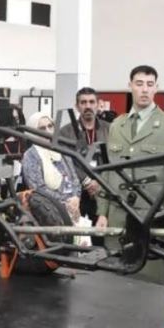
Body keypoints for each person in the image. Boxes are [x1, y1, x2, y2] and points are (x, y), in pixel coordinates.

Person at [96, 65, 164, 284]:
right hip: (118, 218)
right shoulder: (117, 125)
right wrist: (102, 212)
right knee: (113, 284)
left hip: (152, 221)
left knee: (149, 285)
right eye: (139, 84)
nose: (144, 89)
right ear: (130, 86)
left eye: (150, 84)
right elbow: (108, 172)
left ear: (157, 87)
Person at [59, 87, 110, 232]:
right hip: (76, 193)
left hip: (103, 191)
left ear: (98, 104)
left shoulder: (109, 129)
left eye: (91, 102)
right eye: (83, 102)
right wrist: (86, 181)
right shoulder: (65, 132)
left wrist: (99, 182)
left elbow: (112, 160)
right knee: (76, 234)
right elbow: (65, 161)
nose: (88, 106)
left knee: (100, 234)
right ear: (77, 106)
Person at [22, 111, 82, 221]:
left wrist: (76, 198)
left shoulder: (61, 150)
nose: (48, 131)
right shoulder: (30, 155)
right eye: (42, 128)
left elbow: (74, 179)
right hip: (50, 213)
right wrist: (66, 202)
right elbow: (38, 189)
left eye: (50, 126)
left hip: (73, 209)